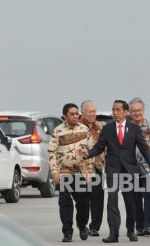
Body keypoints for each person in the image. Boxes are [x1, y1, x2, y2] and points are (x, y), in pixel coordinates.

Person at [78, 100, 150, 243]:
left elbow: (144, 148)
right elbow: (99, 147)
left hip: (129, 171)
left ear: (125, 112)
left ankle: (131, 230)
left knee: (130, 203)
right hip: (113, 170)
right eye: (113, 110)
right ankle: (114, 234)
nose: (115, 113)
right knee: (112, 200)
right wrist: (87, 153)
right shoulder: (108, 129)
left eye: (118, 110)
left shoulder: (134, 129)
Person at [48, 103, 91, 242]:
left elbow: (92, 152)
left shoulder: (85, 130)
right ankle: (67, 232)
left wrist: (88, 172)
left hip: (80, 174)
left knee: (82, 203)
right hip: (64, 173)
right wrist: (54, 172)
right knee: (65, 203)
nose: (75, 116)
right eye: (72, 114)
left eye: (76, 113)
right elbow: (51, 152)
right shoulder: (58, 131)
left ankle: (82, 225)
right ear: (65, 116)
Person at [128, 97, 150, 236]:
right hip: (132, 168)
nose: (137, 113)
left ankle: (148, 225)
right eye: (134, 111)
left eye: (139, 110)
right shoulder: (126, 127)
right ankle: (139, 226)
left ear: (144, 110)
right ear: (129, 112)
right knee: (135, 198)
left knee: (149, 195)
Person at [80, 100, 105, 237]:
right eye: (89, 112)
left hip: (97, 167)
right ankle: (82, 225)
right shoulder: (77, 127)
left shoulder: (101, 127)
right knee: (82, 199)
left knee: (97, 199)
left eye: (94, 111)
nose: (92, 114)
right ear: (82, 113)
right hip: (81, 169)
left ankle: (95, 227)